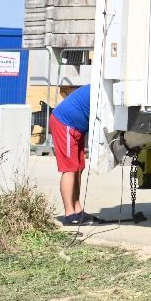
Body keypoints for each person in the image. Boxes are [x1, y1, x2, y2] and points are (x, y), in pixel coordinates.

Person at [49, 82, 100, 225]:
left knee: (78, 168)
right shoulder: (101, 90)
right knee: (70, 169)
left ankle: (78, 210)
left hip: (77, 128)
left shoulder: (102, 88)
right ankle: (69, 214)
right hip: (65, 123)